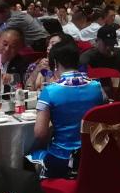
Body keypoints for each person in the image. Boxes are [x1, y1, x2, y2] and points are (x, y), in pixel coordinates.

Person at [29, 41, 106, 179]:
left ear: (55, 63)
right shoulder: (97, 87)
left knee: (29, 156)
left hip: (62, 159)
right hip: (94, 155)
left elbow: (40, 134)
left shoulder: (50, 91)